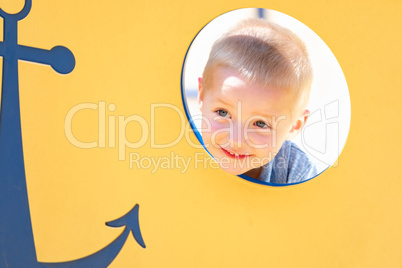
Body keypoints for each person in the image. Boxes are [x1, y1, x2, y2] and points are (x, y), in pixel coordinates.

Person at [197, 18, 317, 184]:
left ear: (295, 125)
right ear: (202, 95)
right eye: (223, 113)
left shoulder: (295, 171)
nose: (236, 140)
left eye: (260, 124)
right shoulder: (184, 153)